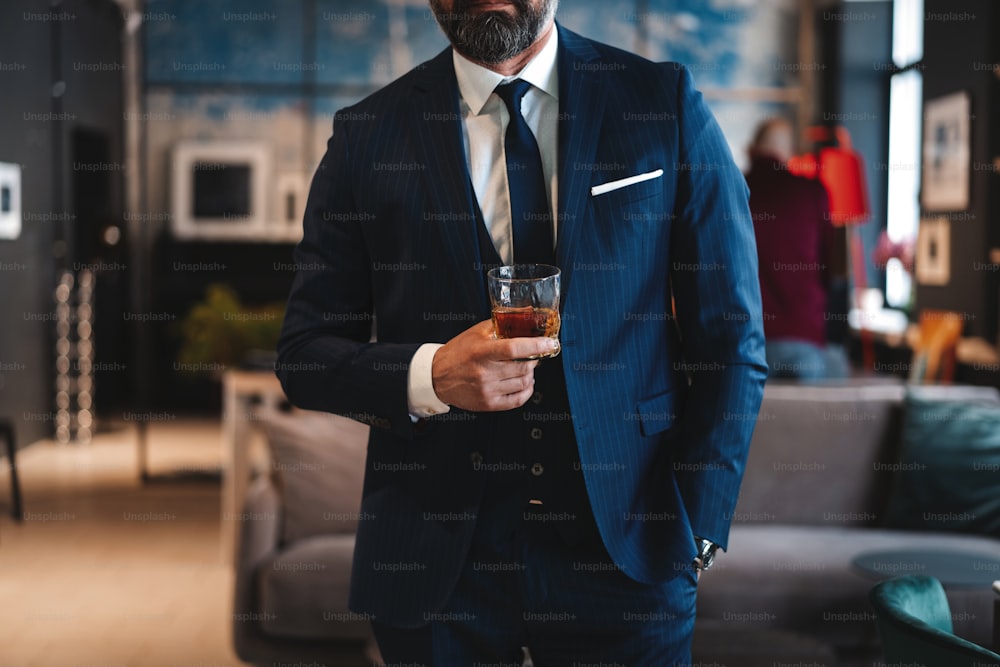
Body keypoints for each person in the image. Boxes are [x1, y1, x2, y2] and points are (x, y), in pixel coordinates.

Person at [276, 1, 767, 664]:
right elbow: (304, 354)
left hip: (628, 550)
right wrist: (432, 375)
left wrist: (700, 528)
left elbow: (731, 336)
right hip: (435, 562)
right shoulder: (367, 134)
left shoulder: (662, 101)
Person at [746, 117, 850, 380]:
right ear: (789, 153)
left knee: (754, 420)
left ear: (753, 149)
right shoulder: (813, 192)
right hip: (804, 336)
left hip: (745, 340)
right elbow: (831, 270)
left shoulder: (735, 190)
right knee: (813, 418)